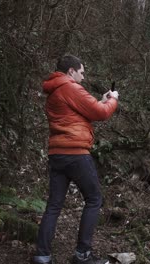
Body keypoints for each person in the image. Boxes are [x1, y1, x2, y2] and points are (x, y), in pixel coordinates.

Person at [32, 55, 118, 264]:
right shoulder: (70, 88)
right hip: (75, 153)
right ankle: (82, 255)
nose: (83, 76)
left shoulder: (55, 90)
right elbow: (100, 113)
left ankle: (42, 256)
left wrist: (102, 100)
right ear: (71, 71)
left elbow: (82, 112)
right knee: (94, 199)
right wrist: (113, 99)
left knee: (54, 205)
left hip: (57, 153)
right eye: (81, 72)